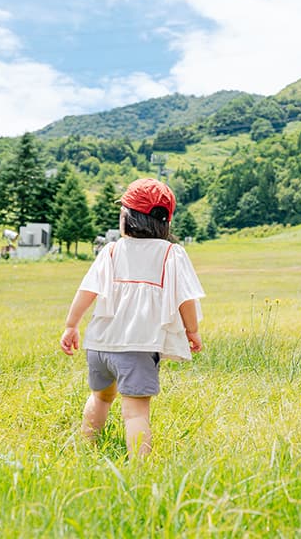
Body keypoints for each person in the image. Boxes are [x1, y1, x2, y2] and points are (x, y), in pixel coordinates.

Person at [59, 178, 205, 458]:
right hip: (138, 347)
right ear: (165, 223)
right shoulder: (171, 254)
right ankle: (140, 468)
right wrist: (192, 330)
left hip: (100, 345)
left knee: (100, 398)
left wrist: (71, 325)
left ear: (126, 218)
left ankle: (87, 452)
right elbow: (185, 298)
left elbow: (87, 290)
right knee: (136, 412)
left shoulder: (111, 250)